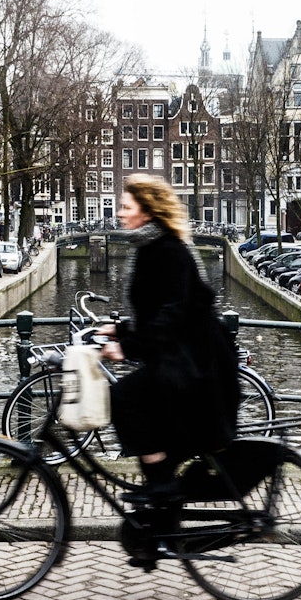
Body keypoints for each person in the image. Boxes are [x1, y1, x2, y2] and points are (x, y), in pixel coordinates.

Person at [99, 174, 239, 565]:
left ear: (146, 209)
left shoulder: (168, 250)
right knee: (160, 440)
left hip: (194, 363)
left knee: (124, 397)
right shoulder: (151, 246)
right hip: (179, 356)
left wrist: (126, 346)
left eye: (126, 206)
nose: (120, 212)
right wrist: (121, 329)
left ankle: (162, 498)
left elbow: (173, 313)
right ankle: (163, 531)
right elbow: (156, 313)